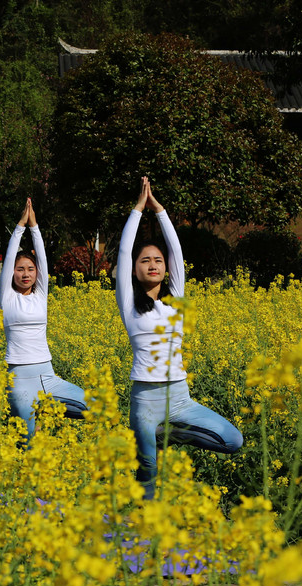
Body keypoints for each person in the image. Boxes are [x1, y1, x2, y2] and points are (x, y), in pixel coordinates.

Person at [117, 177, 242, 498]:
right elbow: (122, 250)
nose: (153, 264)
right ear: (134, 269)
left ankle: (164, 434)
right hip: (145, 401)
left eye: (158, 260)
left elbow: (176, 250)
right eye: (145, 260)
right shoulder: (130, 305)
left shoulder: (176, 302)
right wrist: (136, 210)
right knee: (148, 475)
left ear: (167, 268)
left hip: (180, 399)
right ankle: (142, 539)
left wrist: (159, 210)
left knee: (232, 440)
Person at [0, 198, 87, 443]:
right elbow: (8, 261)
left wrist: (35, 227)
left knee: (96, 408)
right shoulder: (6, 297)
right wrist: (20, 227)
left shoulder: (41, 296)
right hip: (18, 379)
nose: (25, 274)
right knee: (28, 446)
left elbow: (44, 262)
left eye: (30, 269)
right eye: (20, 269)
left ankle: (45, 412)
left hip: (47, 375)